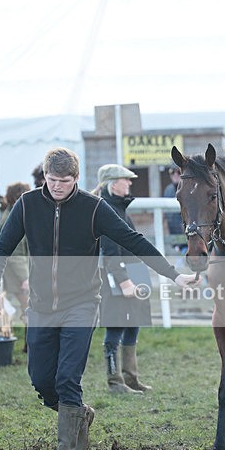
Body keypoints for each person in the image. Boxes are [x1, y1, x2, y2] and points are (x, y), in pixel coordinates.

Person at [0, 147, 198, 450]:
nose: (57, 186)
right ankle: (79, 414)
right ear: (45, 176)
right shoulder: (27, 205)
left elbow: (134, 239)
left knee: (68, 376)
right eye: (52, 179)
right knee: (41, 379)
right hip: (41, 306)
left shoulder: (94, 208)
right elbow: (1, 247)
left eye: (65, 181)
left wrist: (174, 273)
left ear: (77, 179)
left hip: (82, 304)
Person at [93, 163, 153, 395]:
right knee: (116, 326)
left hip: (133, 272)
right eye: (125, 179)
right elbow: (109, 251)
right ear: (112, 183)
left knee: (133, 324)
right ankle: (115, 381)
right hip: (117, 276)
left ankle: (130, 377)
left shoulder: (119, 209)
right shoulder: (106, 209)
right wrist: (124, 281)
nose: (129, 183)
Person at [0, 182, 30, 342]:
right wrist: (25, 278)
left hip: (19, 272)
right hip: (18, 275)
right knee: (29, 309)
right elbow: (16, 252)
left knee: (28, 310)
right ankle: (31, 345)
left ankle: (30, 344)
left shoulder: (14, 213)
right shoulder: (12, 218)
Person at [163, 165, 184, 244]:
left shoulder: (190, 189)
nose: (175, 175)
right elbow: (164, 215)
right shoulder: (168, 190)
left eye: (178, 172)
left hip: (188, 237)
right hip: (173, 237)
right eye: (172, 172)